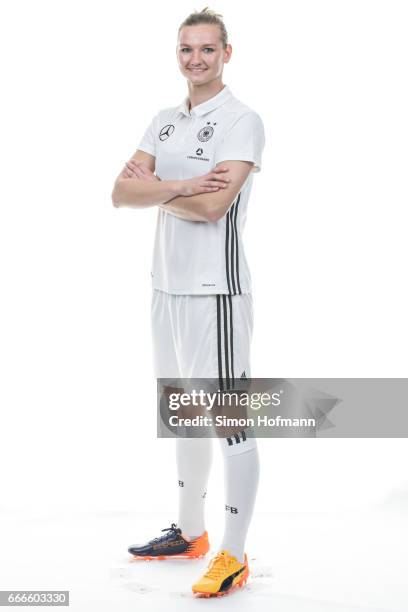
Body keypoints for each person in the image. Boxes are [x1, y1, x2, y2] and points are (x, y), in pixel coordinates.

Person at [111, 7, 265, 598]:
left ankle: (232, 553)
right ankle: (192, 533)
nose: (195, 59)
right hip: (164, 286)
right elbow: (121, 193)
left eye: (206, 49)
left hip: (214, 293)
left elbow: (211, 208)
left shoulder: (241, 122)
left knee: (228, 421)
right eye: (186, 50)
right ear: (177, 55)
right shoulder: (164, 120)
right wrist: (176, 186)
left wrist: (156, 189)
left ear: (228, 53)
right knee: (182, 412)